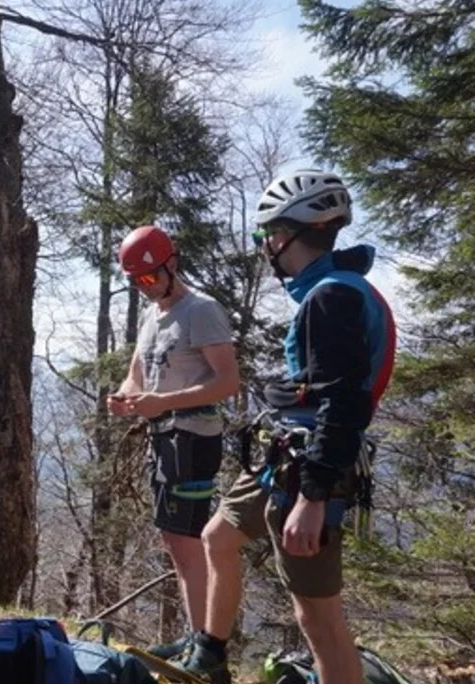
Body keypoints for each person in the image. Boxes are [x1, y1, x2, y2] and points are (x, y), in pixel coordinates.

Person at [182, 170, 396, 684]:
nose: (264, 247)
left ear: (287, 235)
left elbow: (345, 403)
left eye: (266, 235)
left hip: (309, 472)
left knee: (318, 619)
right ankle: (210, 652)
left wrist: (314, 496)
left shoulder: (330, 298)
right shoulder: (331, 290)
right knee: (219, 537)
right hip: (284, 459)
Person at [109, 225, 240, 660]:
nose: (144, 288)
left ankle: (208, 645)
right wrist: (128, 396)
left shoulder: (201, 311)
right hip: (163, 437)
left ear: (172, 264)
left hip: (193, 439)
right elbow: (138, 371)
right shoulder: (153, 316)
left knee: (187, 541)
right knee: (175, 539)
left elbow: (227, 382)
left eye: (149, 278)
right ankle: (197, 635)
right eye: (135, 282)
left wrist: (161, 401)